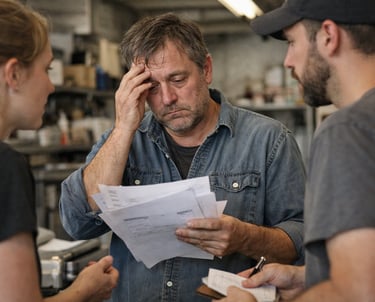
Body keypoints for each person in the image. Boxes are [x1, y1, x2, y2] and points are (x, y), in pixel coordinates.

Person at [59, 12, 306, 302]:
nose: (166, 98)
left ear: (206, 69)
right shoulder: (124, 139)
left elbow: (303, 239)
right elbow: (77, 224)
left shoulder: (268, 140)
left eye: (177, 79)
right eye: (151, 87)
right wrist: (124, 127)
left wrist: (245, 237)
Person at [217, 0, 375, 301]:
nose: (288, 61)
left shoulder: (348, 130)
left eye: (292, 42)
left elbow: (358, 292)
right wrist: (308, 278)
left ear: (328, 36)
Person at [0, 1, 119, 301]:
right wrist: (83, 291)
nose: (51, 86)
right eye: (46, 69)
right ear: (13, 74)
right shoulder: (6, 168)